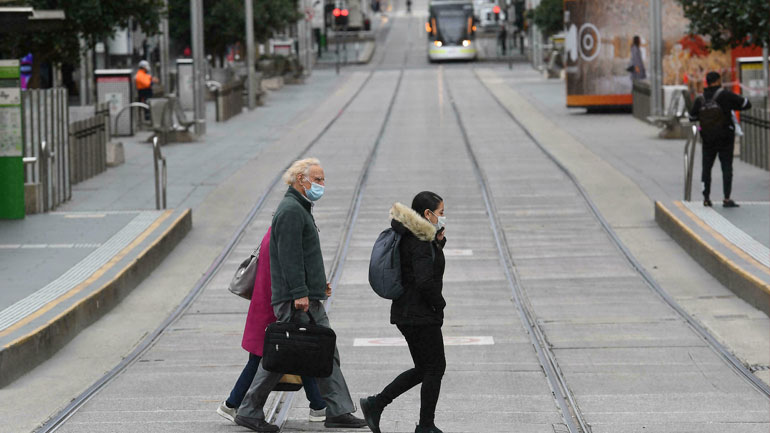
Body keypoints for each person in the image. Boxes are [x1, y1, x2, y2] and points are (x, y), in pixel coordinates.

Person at [234, 158, 367, 432]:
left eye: (323, 179)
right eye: (317, 179)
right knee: (283, 354)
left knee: (325, 350)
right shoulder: (291, 210)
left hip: (306, 295)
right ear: (300, 180)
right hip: (295, 299)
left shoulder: (300, 207)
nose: (322, 184)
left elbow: (304, 256)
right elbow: (289, 257)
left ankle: (337, 410)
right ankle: (248, 409)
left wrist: (318, 285)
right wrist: (299, 293)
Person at [216, 228, 328, 425]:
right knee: (267, 357)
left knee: (297, 352)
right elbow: (291, 271)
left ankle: (318, 406)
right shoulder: (286, 233)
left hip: (267, 304)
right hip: (274, 307)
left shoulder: (275, 231)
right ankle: (232, 404)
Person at [361, 192, 447, 433]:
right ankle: (425, 426)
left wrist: (437, 243)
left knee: (424, 368)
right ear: (427, 214)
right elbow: (424, 280)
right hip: (419, 314)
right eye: (440, 212)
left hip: (408, 312)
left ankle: (376, 404)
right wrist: (439, 304)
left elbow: (416, 266)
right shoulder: (420, 239)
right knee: (435, 367)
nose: (443, 217)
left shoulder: (413, 234)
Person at [689, 71, 752, 207]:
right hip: (725, 138)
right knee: (726, 167)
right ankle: (726, 198)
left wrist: (704, 122)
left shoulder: (700, 99)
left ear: (707, 82)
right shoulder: (725, 95)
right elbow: (746, 104)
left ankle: (706, 198)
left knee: (706, 168)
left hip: (707, 138)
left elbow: (692, 117)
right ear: (718, 81)